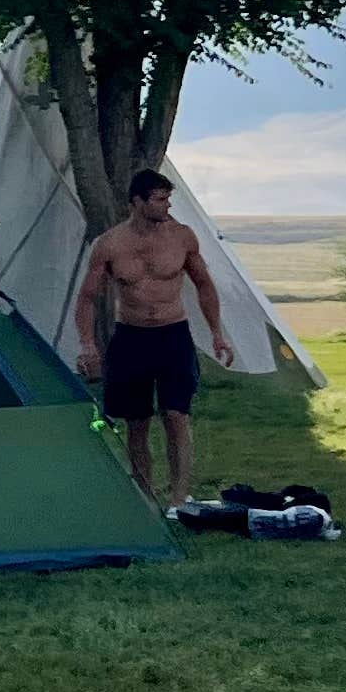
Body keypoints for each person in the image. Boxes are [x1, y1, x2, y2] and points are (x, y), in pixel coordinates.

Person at [73, 168, 231, 508]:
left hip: (173, 335)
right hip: (131, 338)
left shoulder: (183, 237)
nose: (167, 206)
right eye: (160, 200)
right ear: (137, 202)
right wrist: (88, 343)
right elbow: (87, 297)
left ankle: (178, 497)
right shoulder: (110, 244)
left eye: (168, 198)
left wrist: (217, 333)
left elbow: (204, 285)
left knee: (177, 416)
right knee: (137, 422)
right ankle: (145, 496)